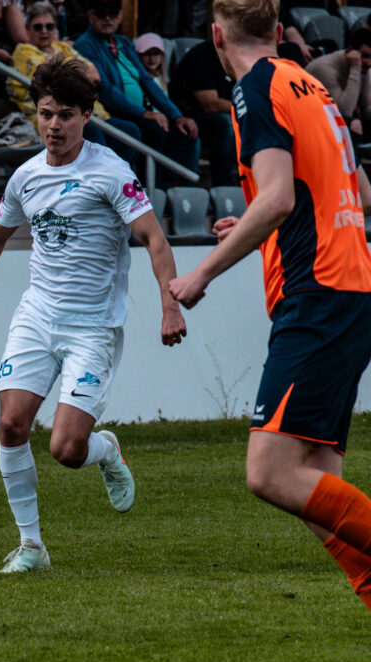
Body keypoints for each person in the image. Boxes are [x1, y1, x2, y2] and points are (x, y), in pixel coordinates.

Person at [0, 55, 186, 572]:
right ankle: (32, 547)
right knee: (11, 424)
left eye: (66, 115)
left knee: (67, 450)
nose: (54, 125)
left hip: (92, 326)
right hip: (37, 316)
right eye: (46, 113)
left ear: (86, 116)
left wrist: (169, 304)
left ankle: (106, 451)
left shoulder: (110, 172)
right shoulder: (26, 176)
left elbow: (154, 239)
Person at [169, 0, 371, 612]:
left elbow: (279, 198)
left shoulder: (254, 89)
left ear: (216, 36)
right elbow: (356, 191)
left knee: (271, 472)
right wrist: (259, 226)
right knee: (318, 483)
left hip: (317, 292)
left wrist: (202, 271)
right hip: (350, 286)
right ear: (279, 31)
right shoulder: (310, 85)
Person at [74, 0, 199, 185]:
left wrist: (176, 116)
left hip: (140, 112)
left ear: (119, 16)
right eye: (102, 14)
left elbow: (147, 81)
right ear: (91, 16)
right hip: (115, 113)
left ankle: (180, 194)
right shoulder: (85, 45)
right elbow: (105, 90)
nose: (108, 19)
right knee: (154, 130)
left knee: (185, 133)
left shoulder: (124, 42)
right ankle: (150, 190)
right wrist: (144, 113)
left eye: (112, 14)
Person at [7, 2, 112, 146]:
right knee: (93, 133)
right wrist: (78, 76)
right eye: (38, 27)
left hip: (88, 112)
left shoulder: (62, 47)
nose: (44, 31)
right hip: (53, 117)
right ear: (27, 29)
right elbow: (55, 84)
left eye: (49, 26)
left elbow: (94, 74)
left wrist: (71, 77)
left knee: (130, 130)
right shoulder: (23, 52)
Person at [168, 38, 238, 186]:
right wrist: (249, 107)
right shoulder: (203, 55)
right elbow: (210, 104)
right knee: (226, 122)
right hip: (186, 117)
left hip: (218, 117)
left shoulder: (239, 57)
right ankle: (224, 186)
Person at [305, 28, 371, 146]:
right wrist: (355, 69)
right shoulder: (325, 68)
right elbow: (344, 111)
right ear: (350, 50)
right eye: (365, 56)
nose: (369, 63)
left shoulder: (363, 67)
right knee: (354, 125)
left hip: (334, 118)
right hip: (312, 120)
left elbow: (366, 108)